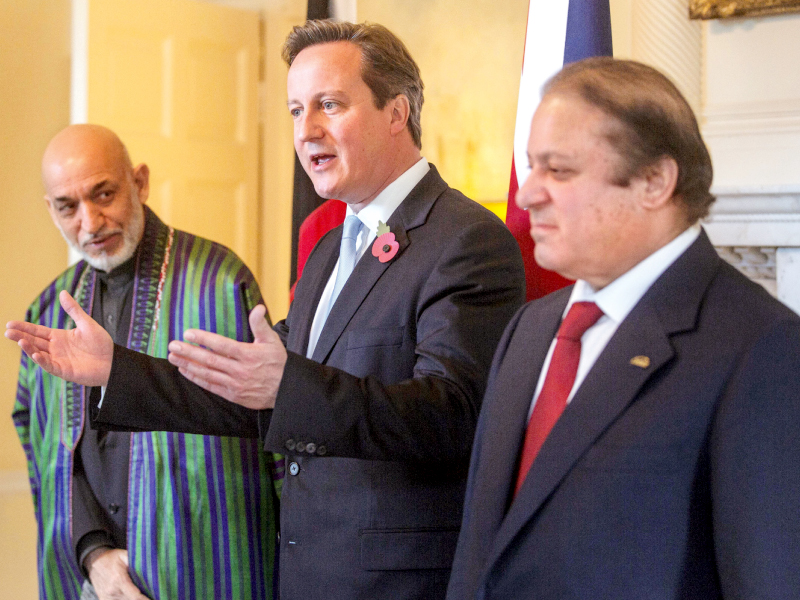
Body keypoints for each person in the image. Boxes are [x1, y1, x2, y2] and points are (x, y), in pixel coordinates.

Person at [7, 21, 526, 600]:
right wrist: (116, 370)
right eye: (296, 111)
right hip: (307, 577)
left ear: (396, 112)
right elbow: (244, 390)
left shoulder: (466, 239)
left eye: (329, 105)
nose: (308, 132)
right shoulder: (331, 249)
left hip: (400, 581)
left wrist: (288, 388)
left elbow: (454, 416)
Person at [444, 57, 800, 599]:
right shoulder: (530, 328)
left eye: (558, 171)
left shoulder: (761, 348)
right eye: (531, 167)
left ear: (655, 181)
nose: (526, 194)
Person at [11, 125, 280, 600]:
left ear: (140, 182)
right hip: (93, 579)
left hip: (205, 573)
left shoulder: (218, 284)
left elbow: (277, 435)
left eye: (105, 194)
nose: (90, 224)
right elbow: (48, 454)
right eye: (67, 207)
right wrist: (92, 552)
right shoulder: (49, 311)